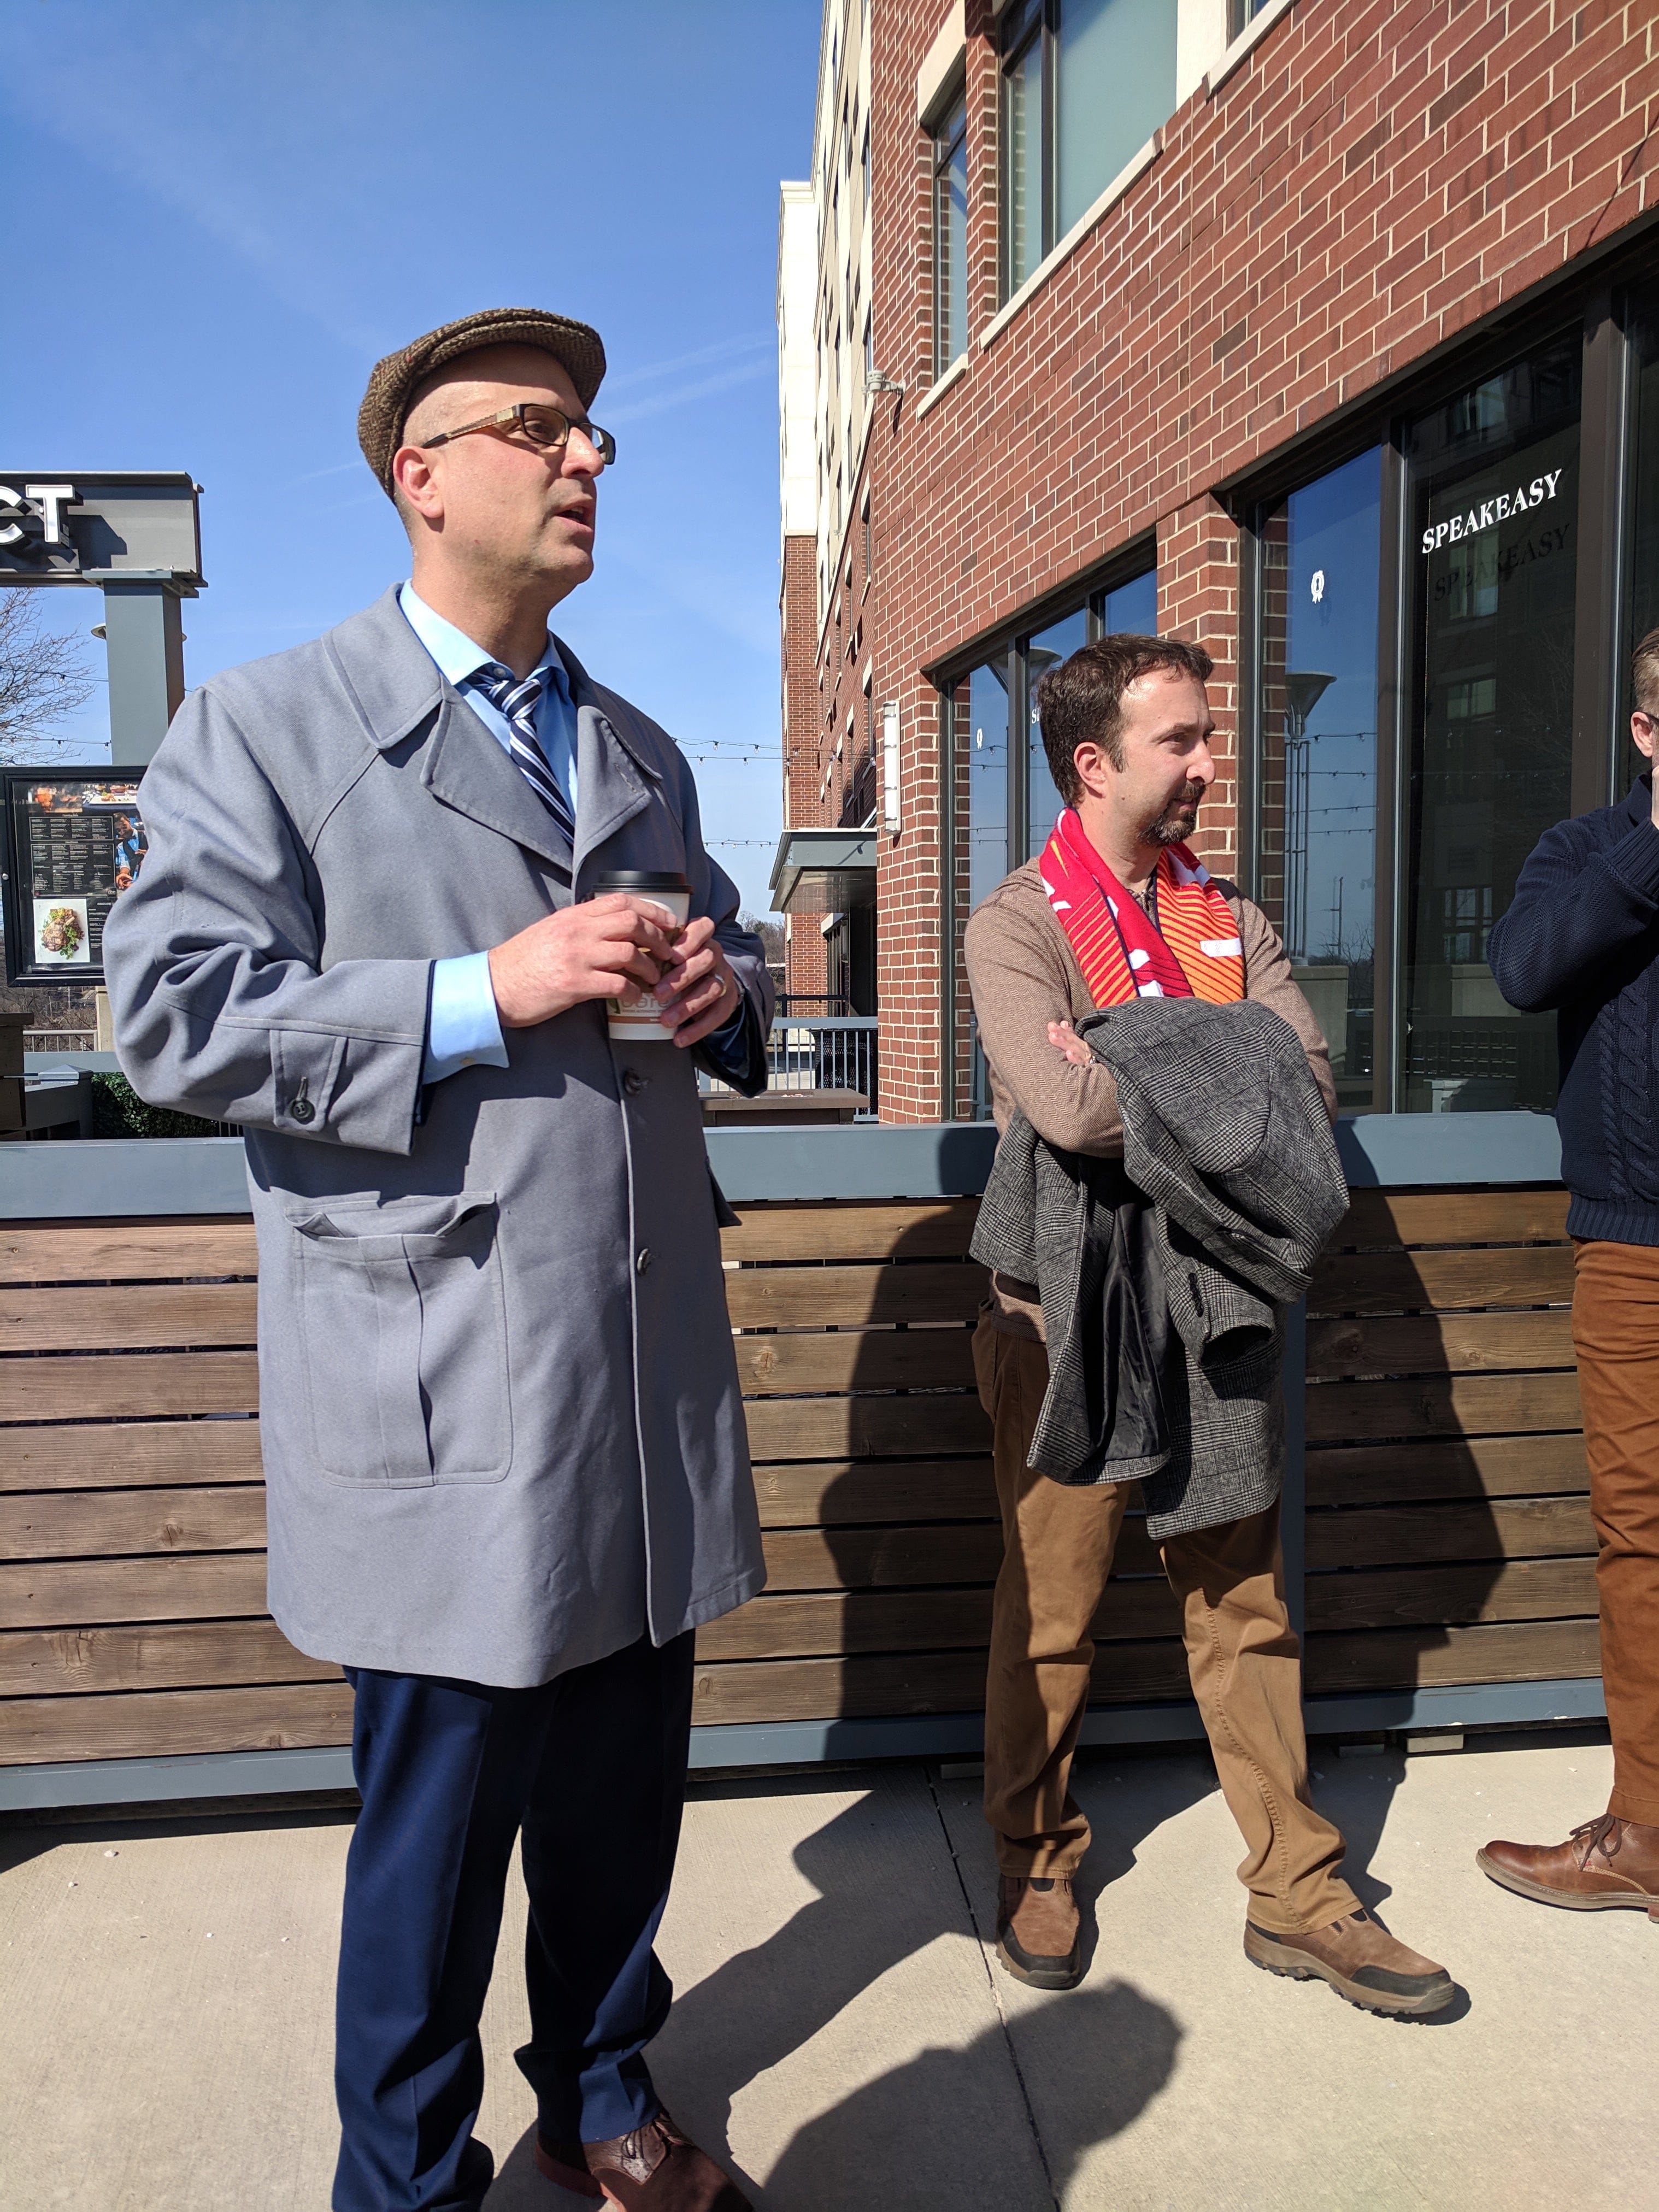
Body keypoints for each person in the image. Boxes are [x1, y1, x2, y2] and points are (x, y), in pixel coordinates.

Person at [103, 308, 769, 2212]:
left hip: (633, 1371)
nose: (586, 459)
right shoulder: (266, 725)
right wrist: (486, 987)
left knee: (623, 1797)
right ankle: (402, 2181)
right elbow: (172, 1019)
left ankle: (601, 2090)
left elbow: (725, 968)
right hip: (444, 1370)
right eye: (538, 428)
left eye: (595, 434)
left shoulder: (635, 745)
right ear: (421, 473)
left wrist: (721, 990)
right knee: (439, 1834)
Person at [962, 634, 1456, 2014]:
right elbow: (1066, 1111)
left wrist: (1129, 1045)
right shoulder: (1016, 923)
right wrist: (1224, 1064)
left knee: (1246, 1607)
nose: (1206, 763)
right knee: (1050, 1610)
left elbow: (1310, 1086)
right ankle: (1037, 1857)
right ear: (1094, 761)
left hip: (1219, 1309)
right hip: (1061, 1316)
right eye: (1179, 739)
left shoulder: (1229, 913)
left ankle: (1300, 1891)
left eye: (1205, 736)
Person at [1480, 627, 1659, 1920]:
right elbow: (1522, 969)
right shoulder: (1590, 848)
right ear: (1649, 732)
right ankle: (1645, 1826)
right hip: (1635, 1250)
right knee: (1642, 1537)